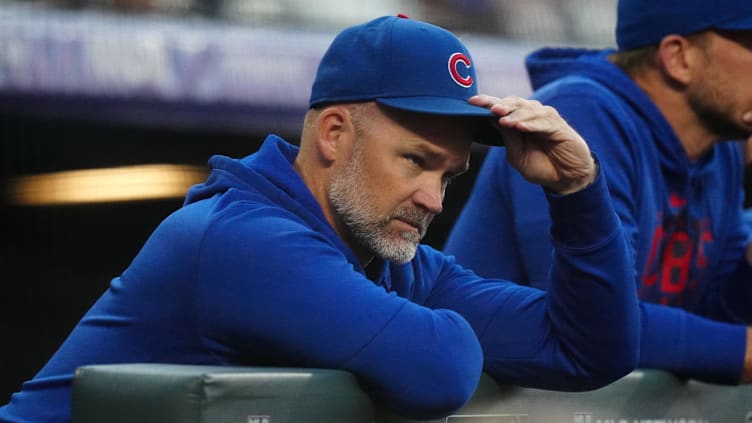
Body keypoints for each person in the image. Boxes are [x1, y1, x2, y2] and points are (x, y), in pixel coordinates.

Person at [0, 15, 641, 422]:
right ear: (334, 133)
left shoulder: (392, 263)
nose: (434, 199)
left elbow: (592, 353)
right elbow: (441, 368)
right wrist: (440, 327)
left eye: (449, 175)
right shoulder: (242, 238)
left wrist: (580, 193)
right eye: (415, 161)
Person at [446, 0, 752, 385]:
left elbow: (713, 320)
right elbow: (589, 322)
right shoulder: (580, 114)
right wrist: (737, 349)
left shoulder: (720, 149)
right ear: (678, 58)